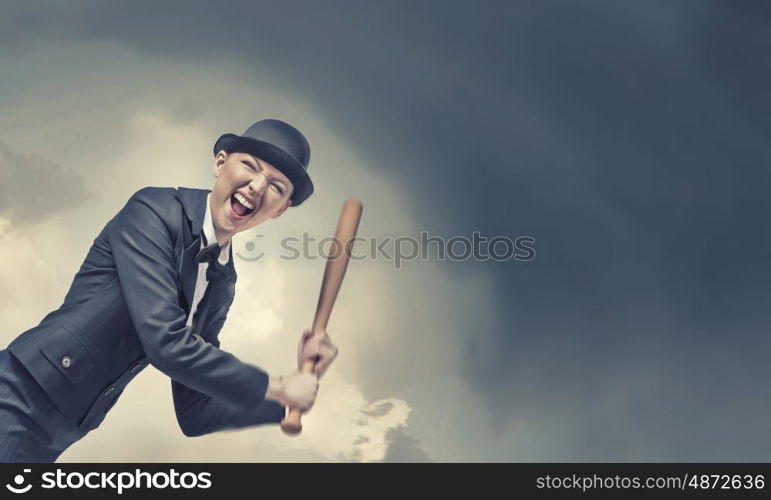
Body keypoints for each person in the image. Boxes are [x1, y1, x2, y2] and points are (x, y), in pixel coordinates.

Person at [0, 119, 338, 462]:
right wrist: (276, 385)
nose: (256, 186)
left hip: (63, 430)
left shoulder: (222, 282)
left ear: (280, 209)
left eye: (277, 187)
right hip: (19, 397)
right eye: (249, 165)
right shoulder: (154, 211)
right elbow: (166, 342)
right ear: (220, 163)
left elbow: (195, 411)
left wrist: (283, 402)